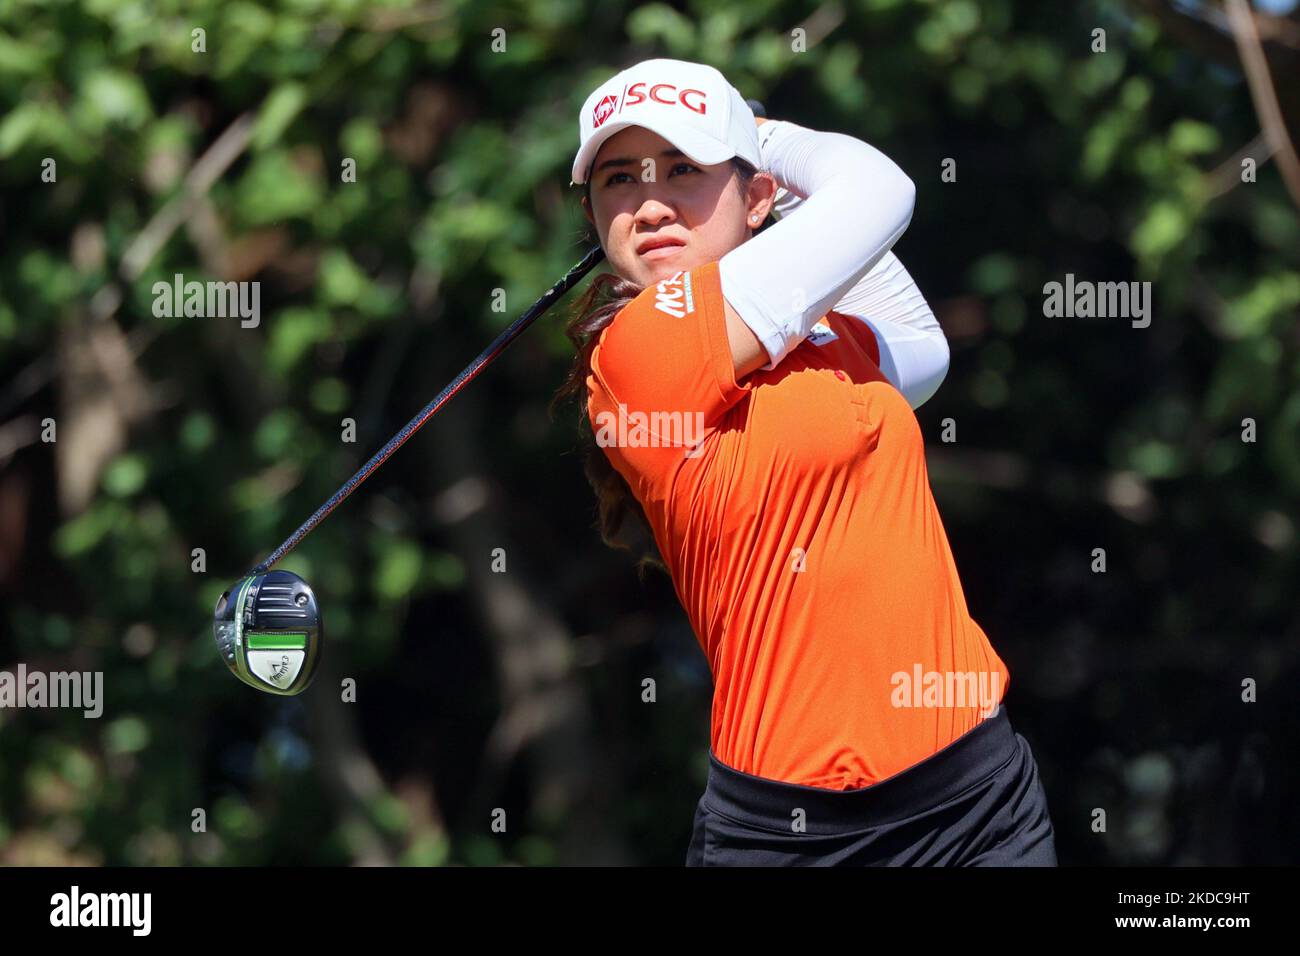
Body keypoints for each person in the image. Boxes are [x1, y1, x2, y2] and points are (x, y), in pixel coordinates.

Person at [552, 58, 1057, 866]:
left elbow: (921, 352)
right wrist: (771, 144)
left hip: (977, 800)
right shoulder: (644, 349)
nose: (649, 205)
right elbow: (878, 194)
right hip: (791, 837)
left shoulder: (816, 341)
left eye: (683, 168)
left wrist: (764, 171)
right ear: (595, 214)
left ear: (756, 199)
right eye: (619, 180)